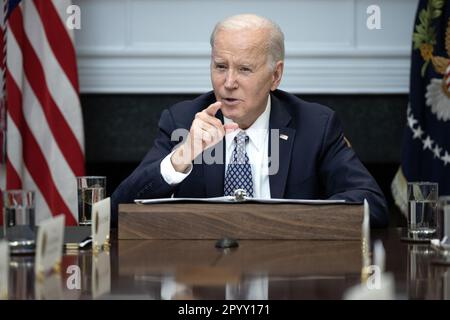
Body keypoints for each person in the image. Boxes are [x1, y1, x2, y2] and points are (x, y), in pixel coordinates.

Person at [111, 14, 388, 228]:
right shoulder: (182, 120)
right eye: (220, 67)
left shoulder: (315, 126)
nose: (228, 83)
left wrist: (286, 224)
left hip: (288, 277)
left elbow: (372, 205)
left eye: (244, 69)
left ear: (275, 76)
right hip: (205, 284)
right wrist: (180, 157)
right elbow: (117, 211)